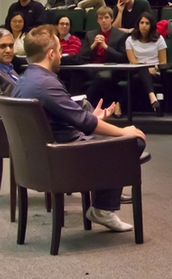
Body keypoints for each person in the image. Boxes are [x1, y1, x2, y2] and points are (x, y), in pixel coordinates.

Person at [13, 25, 144, 232]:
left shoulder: (24, 80)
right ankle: (103, 208)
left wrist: (92, 117)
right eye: (59, 51)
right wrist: (123, 131)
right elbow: (84, 123)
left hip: (42, 155)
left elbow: (67, 118)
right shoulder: (46, 84)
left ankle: (105, 196)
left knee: (114, 142)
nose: (61, 56)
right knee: (132, 142)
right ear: (51, 54)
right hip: (64, 155)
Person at [80, 8, 129, 114]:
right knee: (76, 73)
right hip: (92, 67)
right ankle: (75, 104)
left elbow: (122, 58)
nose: (103, 20)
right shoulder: (90, 35)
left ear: (112, 19)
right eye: (100, 18)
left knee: (102, 77)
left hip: (111, 68)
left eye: (106, 17)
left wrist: (106, 47)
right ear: (97, 20)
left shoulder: (121, 35)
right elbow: (82, 55)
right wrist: (94, 45)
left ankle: (84, 106)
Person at [124, 13, 166, 116]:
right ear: (138, 24)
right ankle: (152, 96)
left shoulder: (159, 39)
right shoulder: (130, 40)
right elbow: (133, 62)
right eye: (141, 22)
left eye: (147, 23)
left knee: (136, 78)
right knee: (141, 68)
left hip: (154, 72)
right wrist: (146, 68)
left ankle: (119, 104)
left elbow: (163, 61)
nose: (144, 25)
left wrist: (155, 68)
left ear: (151, 25)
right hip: (135, 69)